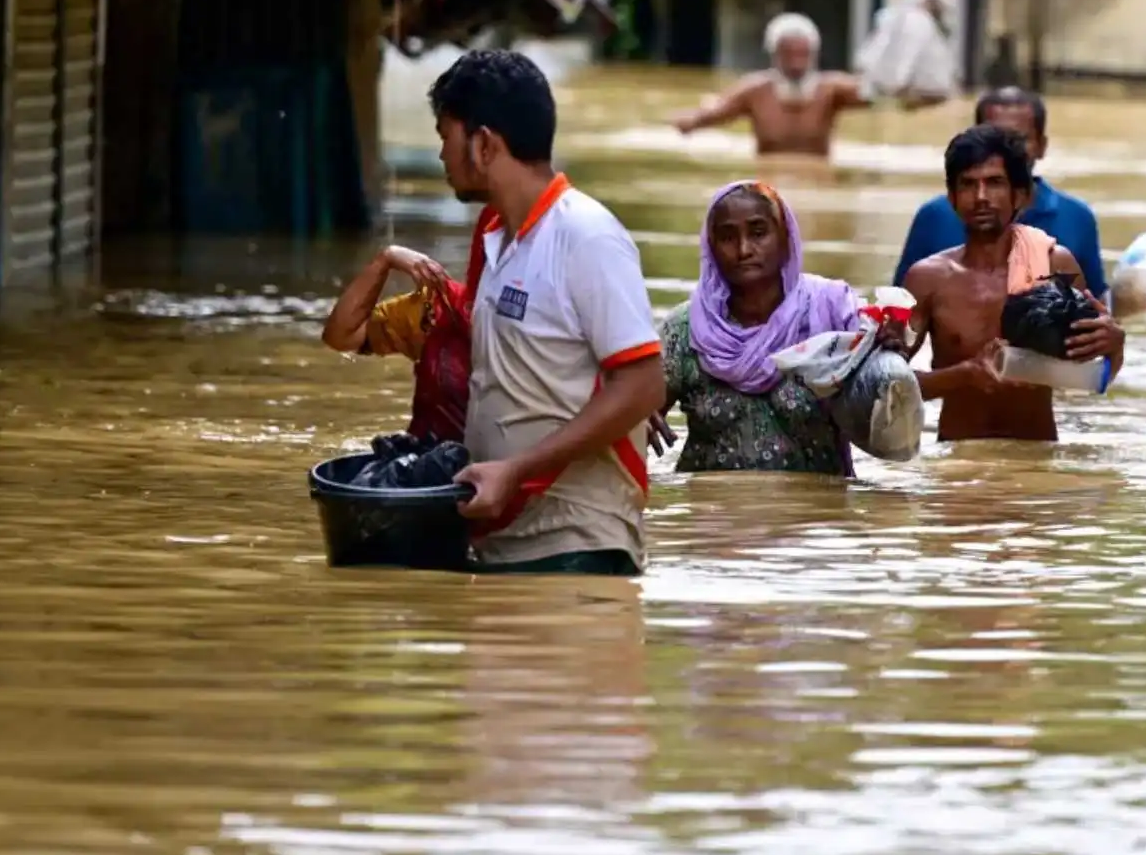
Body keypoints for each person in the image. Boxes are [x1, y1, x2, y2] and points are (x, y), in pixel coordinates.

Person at [428, 49, 665, 576]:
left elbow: (644, 386)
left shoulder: (586, 236)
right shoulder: (495, 240)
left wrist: (516, 470)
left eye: (446, 135)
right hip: (502, 541)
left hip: (577, 545)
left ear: (484, 143)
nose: (441, 154)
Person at [904, 124, 1126, 443]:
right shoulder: (927, 279)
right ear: (952, 197)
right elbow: (888, 384)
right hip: (958, 464)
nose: (981, 197)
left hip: (1037, 463)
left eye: (994, 183)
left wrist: (1115, 344)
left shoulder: (1054, 265)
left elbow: (1097, 375)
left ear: (1020, 195)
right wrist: (962, 376)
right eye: (968, 184)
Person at [655, 180, 870, 476]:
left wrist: (887, 352)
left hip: (813, 518)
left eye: (758, 233)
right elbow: (635, 416)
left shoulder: (833, 313)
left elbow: (888, 409)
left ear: (786, 239)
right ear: (710, 247)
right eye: (727, 237)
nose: (744, 249)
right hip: (712, 515)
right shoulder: (685, 330)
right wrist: (630, 419)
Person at [893, 88, 1116, 302]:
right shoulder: (934, 218)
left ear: (1041, 145)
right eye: (992, 137)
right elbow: (898, 313)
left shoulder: (1074, 223)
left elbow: (1094, 309)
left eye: (1017, 140)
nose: (1004, 149)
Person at [671, 12, 944, 158]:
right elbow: (712, 115)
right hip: (768, 175)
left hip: (819, 172)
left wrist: (917, 98)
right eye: (789, 53)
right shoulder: (754, 90)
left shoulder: (832, 89)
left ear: (814, 54)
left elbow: (881, 97)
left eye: (803, 54)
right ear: (774, 54)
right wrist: (686, 122)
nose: (796, 62)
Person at [321, 244, 472, 441]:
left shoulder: (520, 332)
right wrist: (384, 261)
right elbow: (342, 336)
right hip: (437, 459)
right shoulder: (440, 311)